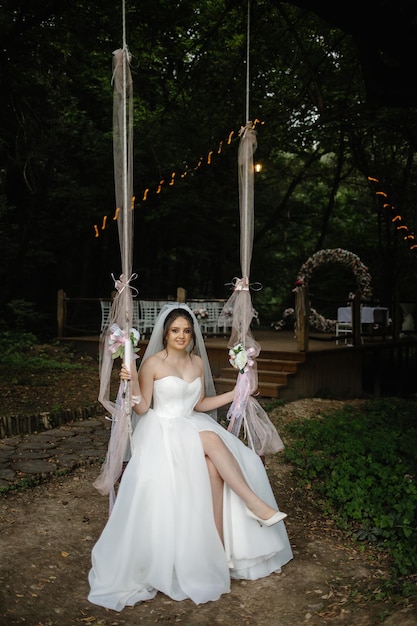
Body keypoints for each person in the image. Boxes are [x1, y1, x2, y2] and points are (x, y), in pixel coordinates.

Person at [88, 304, 293, 610]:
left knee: (214, 469)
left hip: (191, 425)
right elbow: (143, 409)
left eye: (186, 331)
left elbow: (199, 404)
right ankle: (254, 503)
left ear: (192, 334)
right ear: (166, 334)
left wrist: (238, 392)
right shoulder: (153, 364)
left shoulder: (197, 363)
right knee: (211, 439)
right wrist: (129, 383)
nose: (181, 336)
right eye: (175, 331)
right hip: (162, 431)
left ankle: (218, 552)